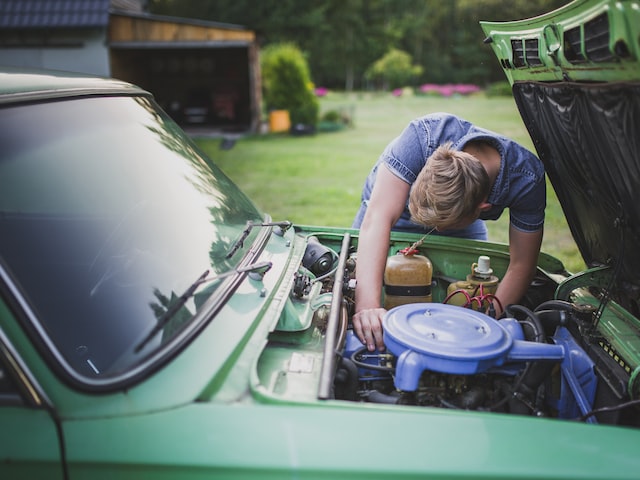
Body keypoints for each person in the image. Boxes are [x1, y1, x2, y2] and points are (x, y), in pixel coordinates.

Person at [352, 112, 545, 352]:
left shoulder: (527, 178)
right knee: (360, 278)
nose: (431, 231)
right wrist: (367, 308)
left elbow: (522, 264)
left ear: (482, 208)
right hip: (391, 203)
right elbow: (377, 219)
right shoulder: (422, 137)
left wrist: (485, 325)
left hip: (460, 216)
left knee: (469, 287)